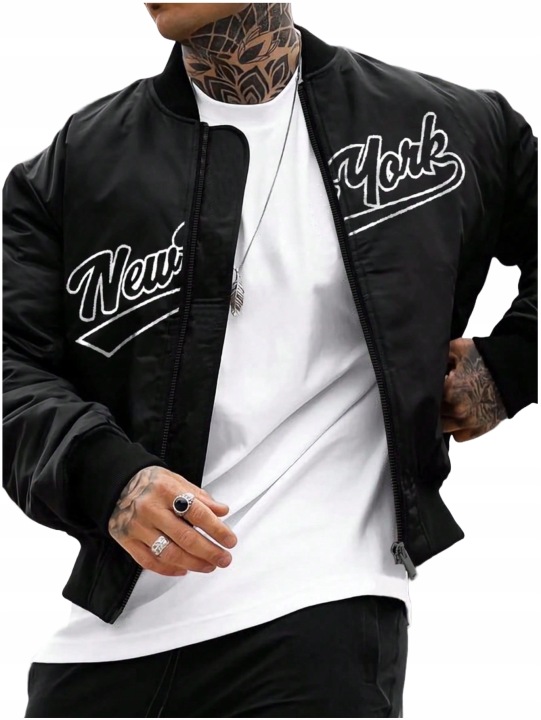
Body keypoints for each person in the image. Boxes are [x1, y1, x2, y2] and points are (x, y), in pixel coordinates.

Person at [2, 2, 537, 717]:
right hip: (103, 647)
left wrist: (511, 365)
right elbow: (11, 368)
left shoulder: (431, 127)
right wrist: (108, 476)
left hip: (318, 616)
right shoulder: (76, 166)